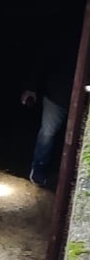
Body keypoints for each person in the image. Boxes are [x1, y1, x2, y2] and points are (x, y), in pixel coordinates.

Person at [20, 28, 80, 188]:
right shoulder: (68, 39)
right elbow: (43, 59)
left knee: (79, 140)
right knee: (47, 133)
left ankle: (76, 179)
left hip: (83, 102)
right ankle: (37, 170)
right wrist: (31, 87)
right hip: (57, 95)